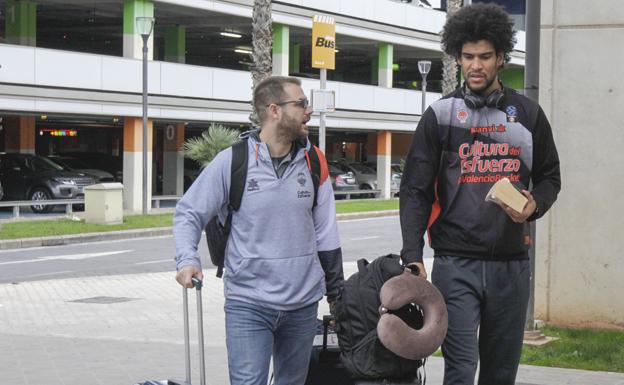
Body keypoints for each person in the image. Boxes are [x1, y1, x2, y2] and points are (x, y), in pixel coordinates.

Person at [399, 4, 561, 385]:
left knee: (500, 373)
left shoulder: (527, 115)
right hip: (456, 265)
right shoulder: (439, 115)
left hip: (511, 264)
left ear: (501, 57)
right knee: (459, 368)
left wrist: (536, 204)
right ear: (458, 56)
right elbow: (415, 190)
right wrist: (412, 254)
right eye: (468, 56)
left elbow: (551, 177)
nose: (475, 65)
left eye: (485, 57)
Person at [173, 76, 344, 385]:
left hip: (302, 305)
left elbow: (327, 232)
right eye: (301, 104)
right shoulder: (233, 162)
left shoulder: (314, 161)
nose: (308, 110)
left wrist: (336, 292)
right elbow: (189, 212)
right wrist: (187, 259)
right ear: (274, 110)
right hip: (248, 304)